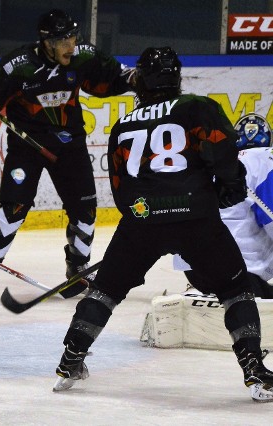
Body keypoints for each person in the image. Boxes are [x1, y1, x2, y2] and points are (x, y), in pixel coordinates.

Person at [52, 46, 273, 402]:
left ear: (141, 79)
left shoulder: (123, 125)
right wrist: (227, 190)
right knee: (236, 292)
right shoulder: (198, 108)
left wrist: (144, 215)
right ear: (176, 77)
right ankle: (254, 371)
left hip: (141, 222)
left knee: (104, 292)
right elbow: (221, 151)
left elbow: (120, 188)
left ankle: (70, 360)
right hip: (197, 220)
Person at [0, 9, 135, 301]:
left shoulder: (82, 56)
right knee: (13, 208)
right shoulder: (18, 66)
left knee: (86, 209)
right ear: (47, 42)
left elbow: (112, 79)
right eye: (63, 40)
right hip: (26, 148)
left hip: (70, 145)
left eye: (73, 37)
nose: (71, 44)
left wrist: (137, 78)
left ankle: (78, 267)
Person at [174, 113, 273, 299]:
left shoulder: (214, 164)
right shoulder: (266, 160)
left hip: (193, 268)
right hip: (236, 270)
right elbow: (270, 216)